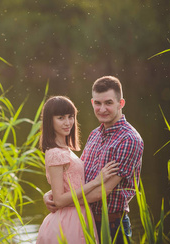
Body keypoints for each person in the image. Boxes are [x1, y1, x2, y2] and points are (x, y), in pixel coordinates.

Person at [43, 76, 144, 244]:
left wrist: (60, 202)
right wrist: (51, 194)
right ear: (92, 103)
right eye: (98, 103)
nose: (102, 109)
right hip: (83, 220)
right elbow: (75, 177)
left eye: (108, 103)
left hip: (111, 224)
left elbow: (101, 192)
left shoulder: (129, 140)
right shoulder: (95, 134)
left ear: (121, 103)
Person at [36, 96, 119, 244]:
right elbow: (60, 200)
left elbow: (65, 186)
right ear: (50, 120)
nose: (68, 123)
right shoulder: (55, 153)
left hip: (79, 216)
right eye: (61, 118)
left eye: (70, 117)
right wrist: (96, 182)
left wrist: (49, 193)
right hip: (68, 222)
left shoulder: (65, 149)